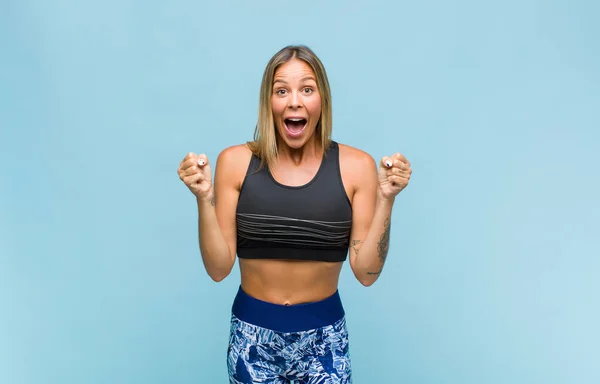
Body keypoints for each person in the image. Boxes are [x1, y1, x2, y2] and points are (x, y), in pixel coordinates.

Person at [177, 45, 412, 384]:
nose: (294, 102)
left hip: (325, 341)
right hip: (251, 340)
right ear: (268, 102)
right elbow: (218, 269)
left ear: (322, 100)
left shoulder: (356, 167)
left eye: (307, 88)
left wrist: (387, 199)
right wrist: (204, 198)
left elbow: (367, 272)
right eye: (281, 90)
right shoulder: (236, 163)